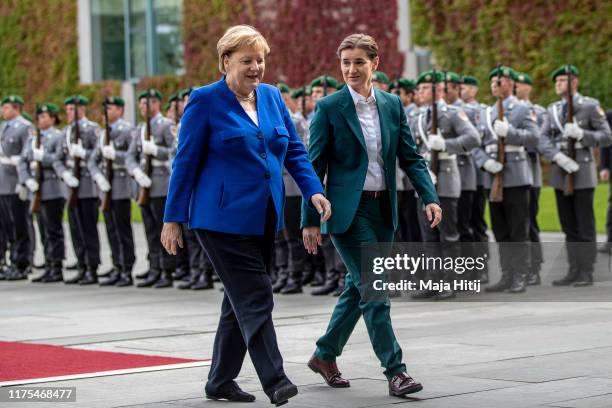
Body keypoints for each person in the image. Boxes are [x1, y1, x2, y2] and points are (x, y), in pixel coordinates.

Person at [160, 25, 330, 405]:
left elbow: (294, 152)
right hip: (218, 220)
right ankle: (276, 379)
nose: (256, 67)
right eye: (247, 61)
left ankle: (220, 381)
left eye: (260, 60)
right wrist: (172, 218)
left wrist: (313, 190)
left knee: (238, 301)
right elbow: (184, 162)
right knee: (256, 295)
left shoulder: (271, 96)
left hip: (263, 217)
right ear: (225, 62)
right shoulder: (204, 100)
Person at [302, 33, 441, 398]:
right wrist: (310, 219)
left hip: (383, 210)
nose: (351, 69)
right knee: (375, 288)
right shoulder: (330, 108)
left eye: (359, 62)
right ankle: (396, 371)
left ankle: (324, 355)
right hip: (346, 212)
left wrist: (429, 196)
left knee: (358, 287)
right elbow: (312, 167)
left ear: (374, 64)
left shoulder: (393, 105)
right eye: (346, 62)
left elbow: (410, 157)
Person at [539, 65, 612, 286]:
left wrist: (582, 135)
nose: (558, 84)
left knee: (585, 225)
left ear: (574, 83)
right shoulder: (552, 110)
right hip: (561, 172)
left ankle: (586, 271)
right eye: (557, 81)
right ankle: (573, 269)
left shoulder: (590, 106)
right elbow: (542, 139)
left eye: (562, 80)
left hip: (582, 171)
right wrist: (557, 157)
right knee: (568, 224)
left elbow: (606, 137)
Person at [472, 66, 539, 293]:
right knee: (500, 230)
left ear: (510, 84)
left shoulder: (521, 109)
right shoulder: (485, 113)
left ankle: (521, 274)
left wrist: (509, 132)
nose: (495, 86)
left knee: (518, 229)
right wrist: (485, 162)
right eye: (492, 83)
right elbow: (476, 145)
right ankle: (507, 273)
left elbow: (533, 138)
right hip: (493, 177)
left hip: (516, 177)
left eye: (499, 82)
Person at [126, 89, 177, 289]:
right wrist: (137, 173)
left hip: (161, 184)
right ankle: (154, 267)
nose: (142, 108)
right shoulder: (139, 128)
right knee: (149, 230)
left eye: (146, 104)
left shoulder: (166, 125)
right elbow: (130, 155)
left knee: (162, 230)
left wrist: (156, 150)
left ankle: (167, 269)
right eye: (141, 104)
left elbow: (175, 149)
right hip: (145, 184)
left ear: (156, 104)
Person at [88, 96, 137, 287]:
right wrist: (98, 177)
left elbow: (132, 156)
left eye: (109, 109)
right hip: (106, 187)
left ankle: (127, 268)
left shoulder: (126, 130)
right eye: (105, 109)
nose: (105, 113)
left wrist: (114, 155)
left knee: (122, 230)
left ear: (120, 110)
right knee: (111, 229)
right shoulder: (103, 133)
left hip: (121, 186)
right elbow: (93, 159)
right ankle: (117, 265)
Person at [54, 95, 102, 285]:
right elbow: (57, 158)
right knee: (75, 229)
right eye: (67, 111)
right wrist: (64, 174)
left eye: (72, 110)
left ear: (82, 109)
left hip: (88, 186)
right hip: (71, 186)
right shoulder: (66, 132)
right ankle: (81, 265)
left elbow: (98, 155)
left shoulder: (92, 129)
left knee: (89, 228)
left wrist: (84, 153)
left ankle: (92, 267)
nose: (69, 114)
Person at [19, 103, 66, 283]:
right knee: (43, 230)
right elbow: (23, 160)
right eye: (39, 117)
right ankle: (48, 264)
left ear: (53, 118)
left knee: (54, 230)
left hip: (53, 189)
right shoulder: (33, 138)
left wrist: (43, 158)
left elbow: (60, 159)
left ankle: (56, 267)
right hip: (37, 189)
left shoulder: (58, 136)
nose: (41, 119)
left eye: (45, 116)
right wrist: (27, 179)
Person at [514, 72, 546, 284]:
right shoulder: (506, 111)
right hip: (513, 174)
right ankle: (519, 267)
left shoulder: (538, 112)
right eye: (514, 85)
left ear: (529, 88)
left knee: (530, 221)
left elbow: (539, 141)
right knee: (516, 224)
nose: (517, 87)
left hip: (530, 173)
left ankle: (534, 266)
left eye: (521, 84)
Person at [0, 95, 34, 280]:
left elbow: (27, 155)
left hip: (15, 184)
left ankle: (22, 263)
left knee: (20, 226)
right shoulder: (4, 127)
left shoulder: (25, 127)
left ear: (16, 108)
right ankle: (11, 261)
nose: (3, 111)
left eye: (5, 108)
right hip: (3, 184)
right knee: (6, 227)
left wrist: (24, 181)